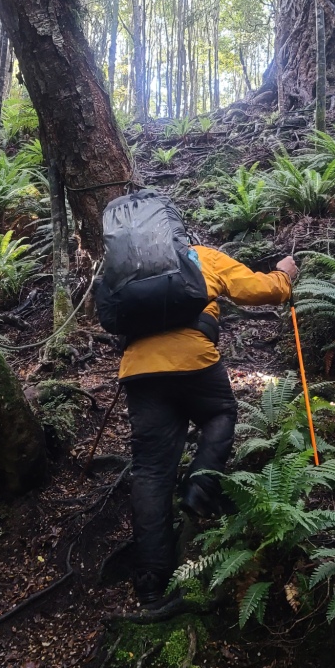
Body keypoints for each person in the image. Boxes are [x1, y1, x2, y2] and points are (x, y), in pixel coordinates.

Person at [118, 246, 298, 606]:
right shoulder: (199, 255)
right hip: (194, 360)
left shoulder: (127, 266)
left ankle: (152, 586)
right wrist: (285, 274)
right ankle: (200, 488)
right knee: (219, 414)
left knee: (151, 471)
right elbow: (257, 290)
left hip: (139, 370)